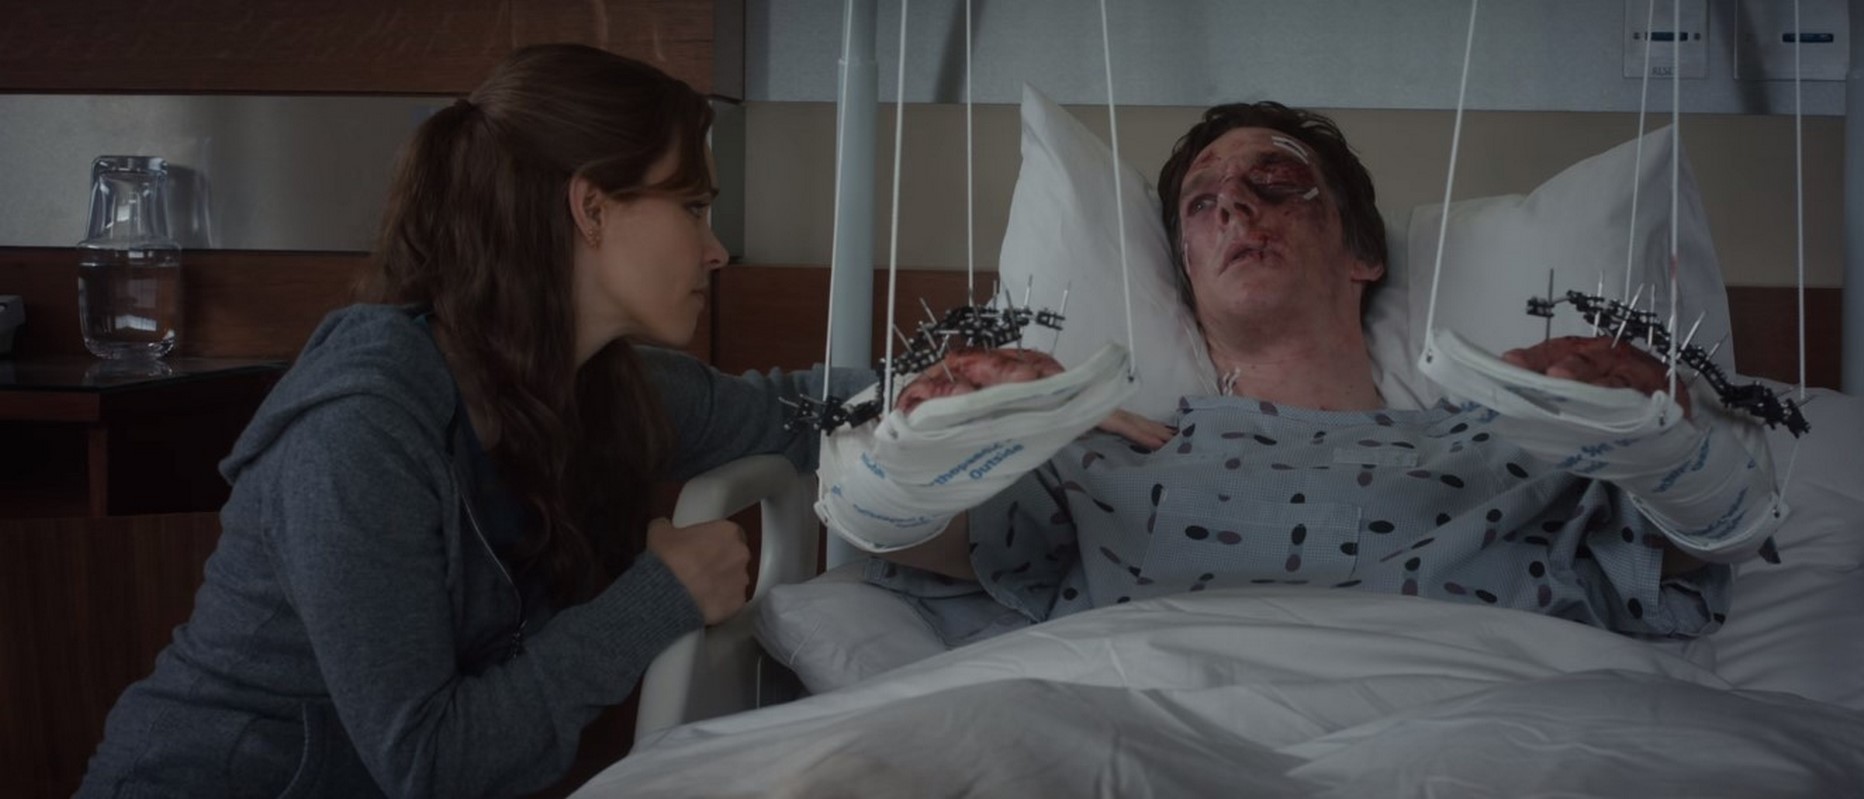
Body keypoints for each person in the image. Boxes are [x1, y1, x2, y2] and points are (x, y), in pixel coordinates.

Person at [80, 44, 863, 797]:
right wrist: (662, 598)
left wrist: (931, 387)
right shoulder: (358, 435)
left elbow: (800, 412)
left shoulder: (600, 388)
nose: (716, 250)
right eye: (693, 207)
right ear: (592, 208)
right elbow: (430, 762)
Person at [853, 101, 1778, 648]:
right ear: (1187, 274)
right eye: (1202, 202)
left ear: (1363, 251)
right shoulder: (1102, 455)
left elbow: (1708, 540)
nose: (1234, 204)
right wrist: (940, 429)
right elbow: (897, 535)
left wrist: (1660, 433)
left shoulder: (1524, 444)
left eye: (1276, 181)